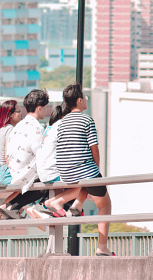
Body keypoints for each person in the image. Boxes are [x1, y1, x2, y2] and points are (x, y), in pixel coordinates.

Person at [53, 83, 113, 256]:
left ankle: (78, 204)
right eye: (85, 97)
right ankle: (102, 247)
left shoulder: (62, 123)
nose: (86, 99)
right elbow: (94, 148)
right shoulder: (87, 119)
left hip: (65, 171)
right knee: (105, 204)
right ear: (79, 101)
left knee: (85, 176)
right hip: (82, 170)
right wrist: (97, 172)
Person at [0, 90, 50, 224]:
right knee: (47, 181)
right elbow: (41, 155)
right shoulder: (36, 128)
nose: (46, 110)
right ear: (39, 108)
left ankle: (9, 208)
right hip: (25, 173)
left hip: (15, 170)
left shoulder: (18, 126)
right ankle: (39, 208)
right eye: (45, 107)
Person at [0, 100, 22, 237]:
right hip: (3, 172)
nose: (21, 114)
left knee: (24, 186)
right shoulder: (10, 130)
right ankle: (19, 210)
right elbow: (9, 156)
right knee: (28, 183)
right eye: (18, 111)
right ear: (10, 114)